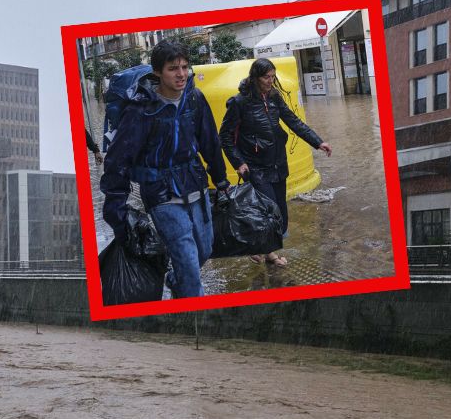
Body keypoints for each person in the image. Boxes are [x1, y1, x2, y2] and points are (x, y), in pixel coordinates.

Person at [101, 40, 229, 299]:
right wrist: (116, 210)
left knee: (203, 251)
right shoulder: (141, 110)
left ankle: (177, 280)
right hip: (161, 196)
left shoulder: (194, 99)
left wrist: (221, 180)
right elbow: (118, 161)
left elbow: (209, 142)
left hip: (196, 187)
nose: (181, 74)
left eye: (184, 67)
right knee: (190, 264)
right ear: (158, 72)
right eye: (173, 68)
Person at [219, 58, 331, 267]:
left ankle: (264, 251)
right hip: (255, 166)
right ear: (254, 78)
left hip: (278, 163)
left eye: (272, 77)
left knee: (281, 212)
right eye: (265, 77)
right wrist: (238, 163)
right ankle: (264, 251)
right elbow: (224, 136)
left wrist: (318, 142)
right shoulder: (239, 102)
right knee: (269, 211)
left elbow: (293, 121)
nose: (270, 81)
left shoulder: (274, 97)